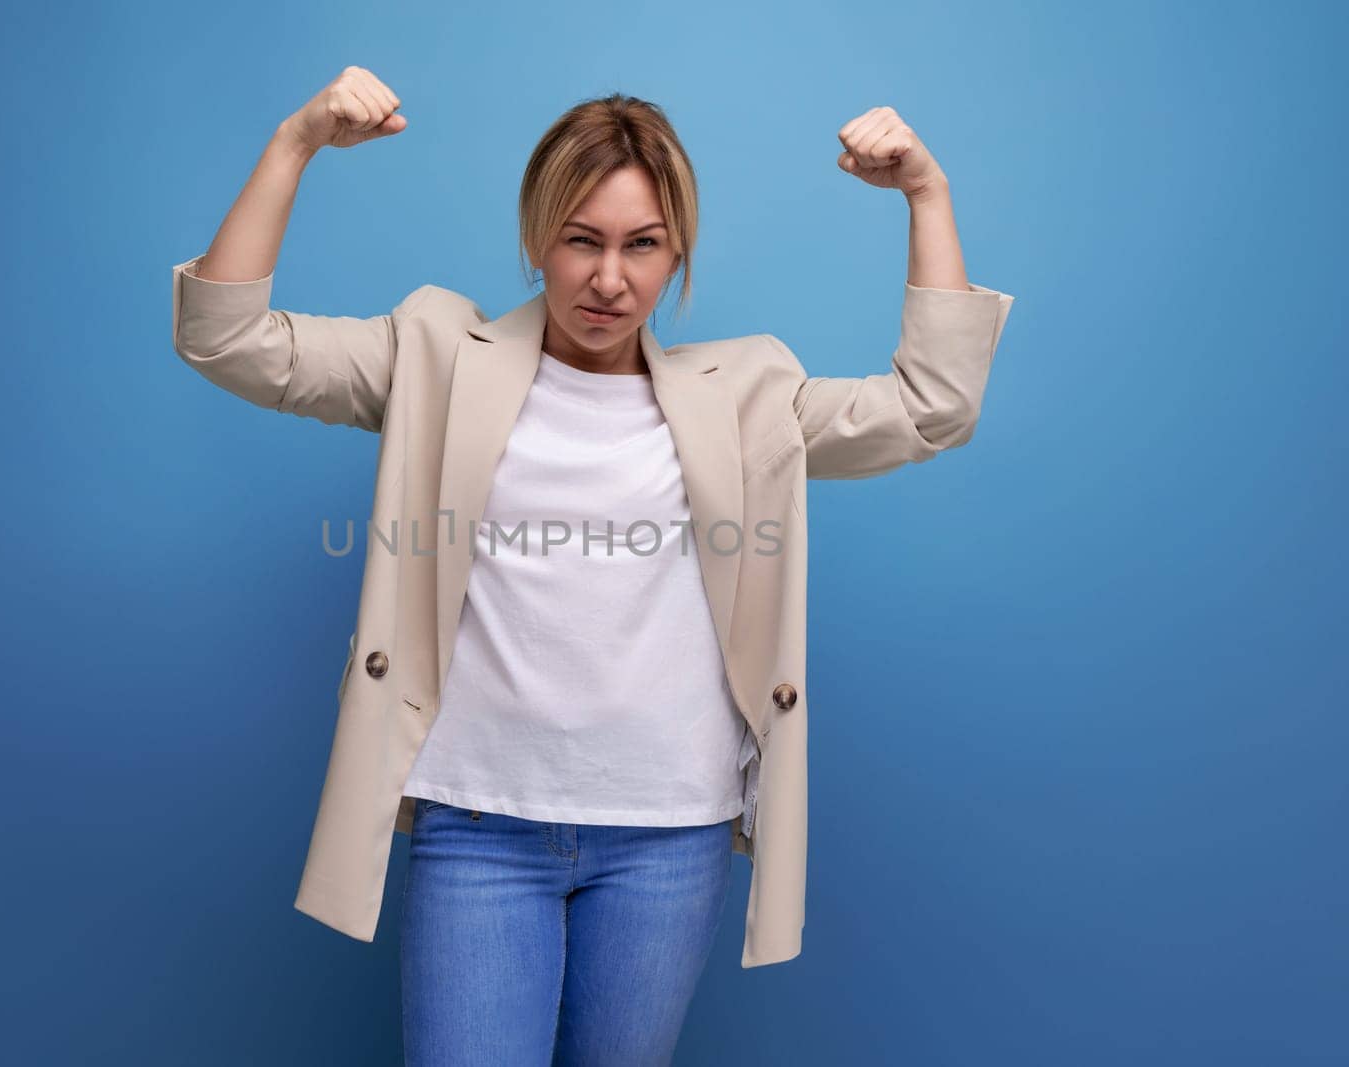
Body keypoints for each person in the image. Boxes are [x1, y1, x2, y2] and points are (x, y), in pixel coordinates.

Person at [171, 65, 1015, 1066]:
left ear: (676, 254)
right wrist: (293, 140)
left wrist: (927, 192)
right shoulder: (438, 355)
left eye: (641, 245)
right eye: (581, 239)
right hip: (479, 820)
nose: (609, 279)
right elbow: (225, 339)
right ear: (538, 239)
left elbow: (932, 406)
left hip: (668, 832)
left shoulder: (745, 395)